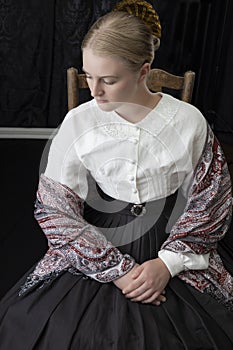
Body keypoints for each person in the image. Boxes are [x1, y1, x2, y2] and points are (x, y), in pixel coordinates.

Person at [0, 0, 233, 348]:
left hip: (174, 235)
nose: (94, 91)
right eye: (88, 76)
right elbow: (54, 208)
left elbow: (211, 200)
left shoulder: (188, 120)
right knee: (47, 324)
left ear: (144, 71)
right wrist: (118, 271)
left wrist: (166, 265)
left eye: (108, 80)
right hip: (99, 236)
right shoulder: (79, 121)